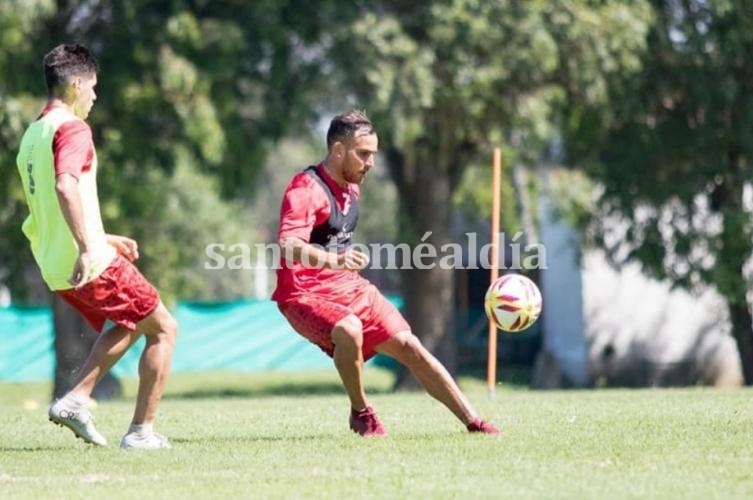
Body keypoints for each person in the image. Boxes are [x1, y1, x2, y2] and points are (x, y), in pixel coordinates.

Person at [272, 109, 498, 436]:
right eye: (363, 154)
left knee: (410, 346)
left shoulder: (351, 188)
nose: (371, 163)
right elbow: (288, 243)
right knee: (349, 329)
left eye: (373, 155)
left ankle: (473, 421)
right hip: (302, 294)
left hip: (347, 286)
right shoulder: (305, 188)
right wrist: (334, 261)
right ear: (337, 150)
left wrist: (342, 264)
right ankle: (361, 413)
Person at [15, 44, 177, 449]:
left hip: (55, 264)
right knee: (164, 329)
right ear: (74, 85)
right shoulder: (73, 128)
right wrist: (90, 247)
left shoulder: (32, 136)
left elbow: (45, 210)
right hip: (87, 260)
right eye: (92, 87)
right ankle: (137, 431)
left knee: (132, 320)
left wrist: (102, 237)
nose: (94, 96)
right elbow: (64, 186)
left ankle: (76, 399)